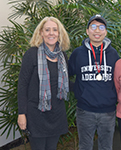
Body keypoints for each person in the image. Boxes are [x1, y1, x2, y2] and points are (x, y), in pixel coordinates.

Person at [17, 16, 70, 150]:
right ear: (41, 33)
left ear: (59, 33)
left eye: (54, 30)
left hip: (56, 113)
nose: (51, 33)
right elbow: (22, 85)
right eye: (47, 30)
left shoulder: (62, 56)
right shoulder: (31, 54)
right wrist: (21, 114)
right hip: (36, 114)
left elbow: (66, 83)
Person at [68, 14, 119, 150]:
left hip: (108, 112)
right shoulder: (78, 54)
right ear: (87, 31)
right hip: (85, 111)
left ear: (106, 32)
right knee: (85, 146)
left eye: (101, 27)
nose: (97, 30)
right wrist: (78, 89)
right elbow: (65, 75)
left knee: (106, 147)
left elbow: (120, 79)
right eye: (93, 26)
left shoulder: (113, 54)